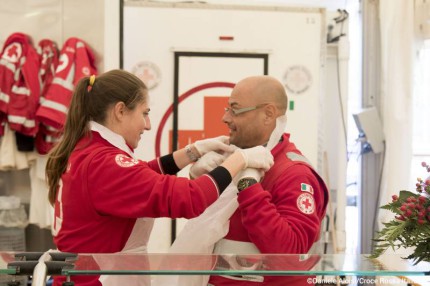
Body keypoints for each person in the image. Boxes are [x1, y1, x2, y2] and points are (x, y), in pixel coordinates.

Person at [45, 69, 274, 286]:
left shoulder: (88, 150)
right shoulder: (103, 163)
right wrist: (238, 161)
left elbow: (139, 177)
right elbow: (190, 199)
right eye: (144, 113)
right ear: (120, 111)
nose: (148, 125)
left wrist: (192, 152)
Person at [187, 75, 329, 286]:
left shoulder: (295, 174)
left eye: (234, 109)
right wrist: (203, 180)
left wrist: (249, 189)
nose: (225, 118)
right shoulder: (237, 161)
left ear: (268, 114)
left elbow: (289, 257)